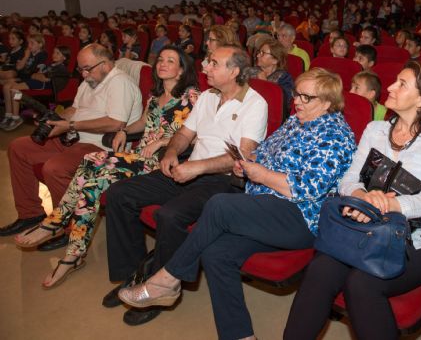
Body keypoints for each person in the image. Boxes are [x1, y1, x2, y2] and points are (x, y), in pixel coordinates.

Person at [117, 68, 356, 339]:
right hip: (266, 207)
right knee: (216, 253)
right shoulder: (296, 122)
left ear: (326, 102)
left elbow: (306, 187)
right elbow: (263, 151)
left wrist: (261, 174)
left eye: (306, 97)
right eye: (296, 94)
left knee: (220, 205)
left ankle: (168, 279)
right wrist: (249, 165)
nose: (297, 101)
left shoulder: (335, 135)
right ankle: (240, 335)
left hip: (301, 218)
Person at [285, 61, 421, 339]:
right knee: (320, 269)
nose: (389, 87)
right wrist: (362, 197)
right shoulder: (376, 129)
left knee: (361, 283)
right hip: (365, 225)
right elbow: (349, 179)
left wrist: (381, 206)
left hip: (419, 237)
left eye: (401, 84)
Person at [102, 45, 268, 326]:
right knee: (119, 194)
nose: (205, 67)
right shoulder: (206, 97)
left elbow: (244, 156)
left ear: (235, 71)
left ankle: (162, 287)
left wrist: (198, 166)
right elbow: (185, 133)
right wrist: (170, 153)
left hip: (223, 181)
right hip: (189, 168)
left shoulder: (255, 103)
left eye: (214, 63)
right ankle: (137, 273)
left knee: (170, 214)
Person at [14, 46, 200, 288]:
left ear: (181, 69)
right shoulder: (155, 96)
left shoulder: (193, 96)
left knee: (92, 161)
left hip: (163, 161)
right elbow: (143, 122)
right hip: (139, 157)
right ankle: (73, 253)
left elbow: (201, 134)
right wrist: (123, 130)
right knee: (92, 177)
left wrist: (165, 141)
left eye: (171, 61)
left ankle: (56, 223)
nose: (162, 64)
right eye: (161, 59)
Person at [0, 44, 143, 243]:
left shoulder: (120, 83)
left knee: (55, 168)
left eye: (87, 68)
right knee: (18, 147)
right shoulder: (90, 81)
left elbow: (115, 123)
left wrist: (70, 125)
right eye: (80, 69)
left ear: (106, 64)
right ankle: (30, 214)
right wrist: (55, 119)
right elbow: (75, 110)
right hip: (74, 138)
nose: (83, 74)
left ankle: (68, 228)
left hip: (102, 147)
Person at [1, 45, 70, 131]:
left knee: (15, 90)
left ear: (64, 57)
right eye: (54, 52)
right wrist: (37, 75)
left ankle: (16, 117)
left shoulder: (61, 68)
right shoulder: (50, 65)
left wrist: (37, 76)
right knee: (6, 86)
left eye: (58, 53)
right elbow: (35, 75)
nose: (54, 54)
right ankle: (8, 115)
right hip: (36, 82)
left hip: (42, 85)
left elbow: (46, 78)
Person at [247, 38, 295, 112]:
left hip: (269, 114)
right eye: (259, 52)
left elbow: (282, 104)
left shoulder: (284, 78)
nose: (258, 55)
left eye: (263, 53)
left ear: (275, 60)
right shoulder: (250, 71)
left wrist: (264, 83)